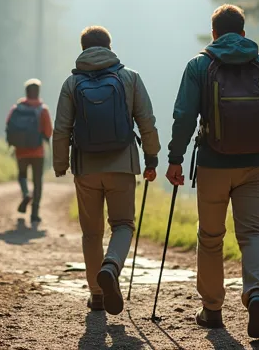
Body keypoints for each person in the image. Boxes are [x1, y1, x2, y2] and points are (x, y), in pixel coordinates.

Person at [166, 4, 259, 339]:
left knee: (210, 237)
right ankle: (256, 295)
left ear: (214, 34)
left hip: (212, 164)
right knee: (252, 233)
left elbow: (183, 116)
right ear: (244, 33)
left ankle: (212, 310)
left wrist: (174, 158)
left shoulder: (199, 65)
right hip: (256, 163)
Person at [53, 25, 161, 315]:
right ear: (109, 47)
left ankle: (97, 295)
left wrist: (60, 163)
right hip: (122, 164)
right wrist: (151, 158)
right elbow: (146, 121)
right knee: (123, 224)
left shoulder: (72, 83)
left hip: (86, 166)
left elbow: (61, 127)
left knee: (91, 232)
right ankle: (111, 266)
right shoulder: (129, 78)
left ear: (83, 48)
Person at [5, 78, 54, 223]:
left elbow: (8, 125)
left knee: (22, 175)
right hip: (37, 151)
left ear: (26, 92)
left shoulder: (16, 108)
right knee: (38, 181)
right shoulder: (42, 109)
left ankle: (26, 193)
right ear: (38, 92)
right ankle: (35, 213)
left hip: (20, 150)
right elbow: (48, 131)